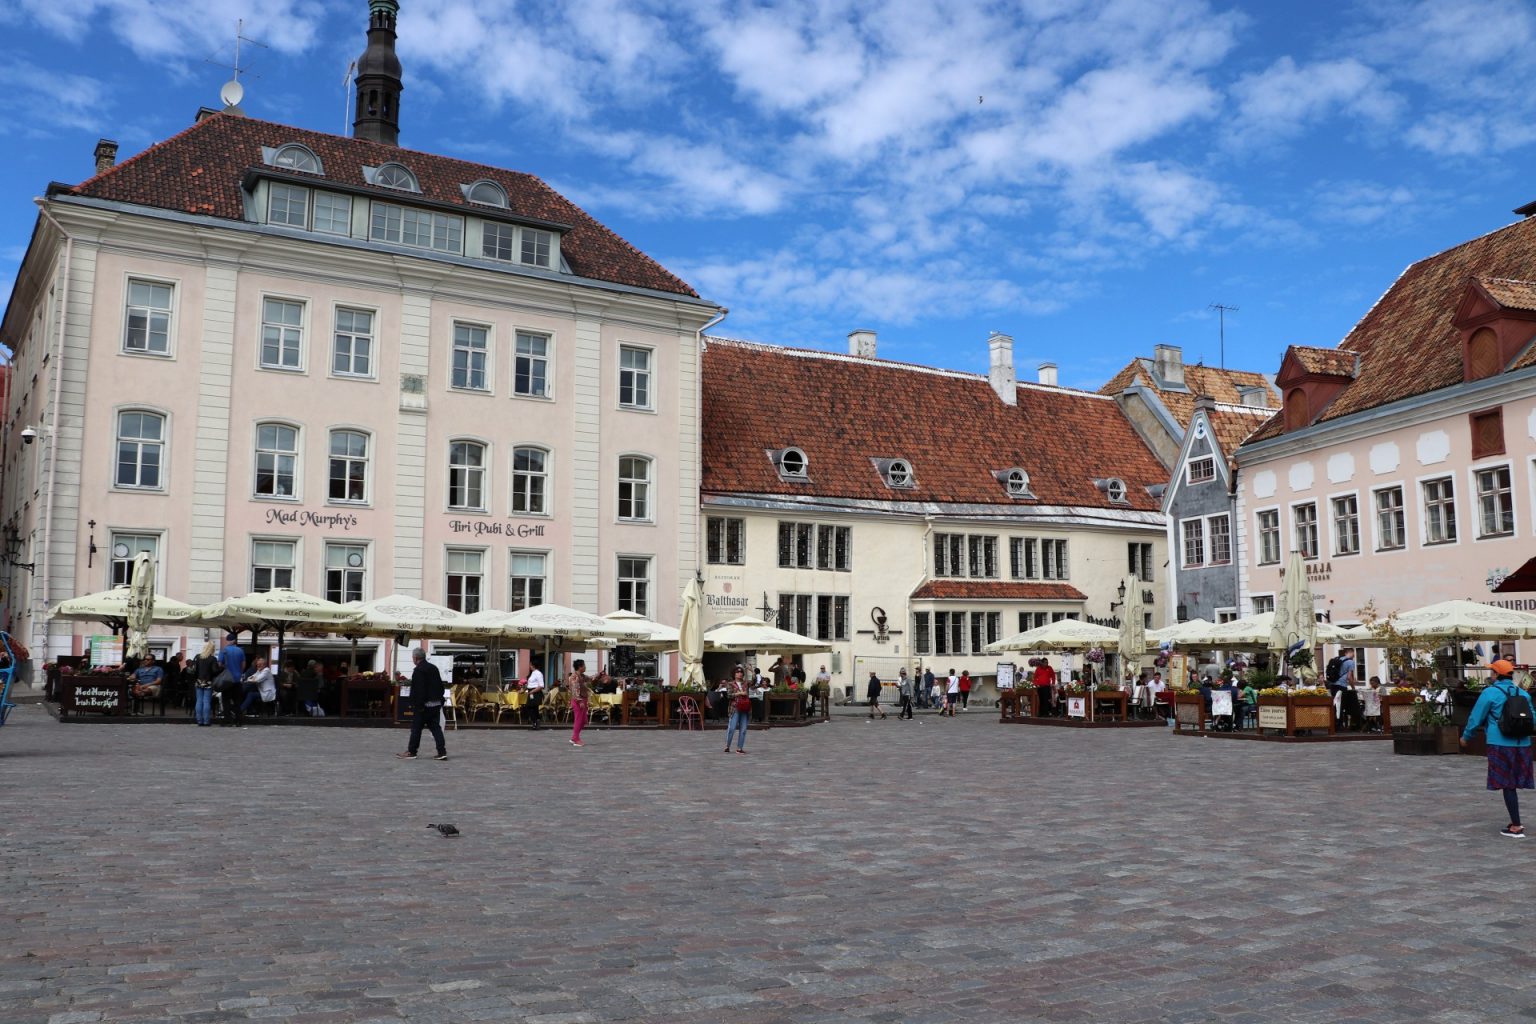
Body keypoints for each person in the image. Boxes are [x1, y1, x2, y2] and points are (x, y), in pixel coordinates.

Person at [1460, 659, 1533, 838]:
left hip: (1500, 743)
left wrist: (1466, 736)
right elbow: (1533, 718)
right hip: (1522, 744)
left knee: (1507, 784)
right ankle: (1515, 822)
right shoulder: (1523, 693)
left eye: (1492, 672)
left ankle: (1516, 826)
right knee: (1513, 784)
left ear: (1496, 675)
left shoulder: (1490, 693)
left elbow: (1476, 717)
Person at [397, 648, 448, 760]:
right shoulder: (433, 668)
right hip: (435, 704)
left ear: (415, 658)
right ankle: (442, 751)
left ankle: (412, 751)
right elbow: (440, 686)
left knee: (416, 728)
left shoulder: (419, 670)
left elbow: (419, 690)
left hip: (424, 706)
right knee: (436, 728)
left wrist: (418, 705)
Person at [567, 658, 599, 747]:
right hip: (578, 700)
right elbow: (575, 690)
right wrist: (579, 701)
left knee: (584, 720)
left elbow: (590, 679)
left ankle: (574, 737)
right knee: (579, 720)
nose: (585, 667)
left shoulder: (582, 676)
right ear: (580, 667)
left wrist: (598, 675)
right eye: (584, 665)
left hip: (583, 699)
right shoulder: (574, 677)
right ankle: (576, 739)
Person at [217, 634, 247, 727]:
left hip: (227, 680)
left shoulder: (224, 650)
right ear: (235, 640)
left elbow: (219, 664)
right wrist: (239, 672)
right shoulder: (240, 650)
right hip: (237, 680)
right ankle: (238, 721)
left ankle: (228, 720)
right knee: (237, 701)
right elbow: (243, 665)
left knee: (226, 700)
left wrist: (226, 667)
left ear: (227, 640)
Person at [725, 666, 751, 754]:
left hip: (745, 708)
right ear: (734, 674)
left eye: (741, 672)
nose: (740, 674)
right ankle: (727, 745)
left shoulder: (745, 683)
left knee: (743, 729)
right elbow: (728, 695)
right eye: (737, 672)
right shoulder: (730, 684)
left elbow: (755, 682)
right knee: (732, 728)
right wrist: (740, 693)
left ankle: (739, 748)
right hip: (735, 707)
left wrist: (751, 671)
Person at [192, 640, 218, 726]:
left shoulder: (198, 657)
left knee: (199, 701)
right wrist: (220, 668)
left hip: (199, 681)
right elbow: (215, 671)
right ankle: (206, 721)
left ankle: (199, 721)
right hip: (208, 682)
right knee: (206, 701)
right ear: (212, 649)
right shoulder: (213, 659)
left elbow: (195, 670)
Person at [526, 659, 546, 729]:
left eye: (530, 664)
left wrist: (532, 691)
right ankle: (536, 722)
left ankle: (535, 721)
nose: (529, 666)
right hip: (531, 691)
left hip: (535, 692)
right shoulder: (533, 673)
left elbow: (541, 685)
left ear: (533, 665)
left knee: (530, 707)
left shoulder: (538, 673)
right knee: (533, 708)